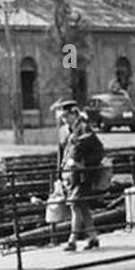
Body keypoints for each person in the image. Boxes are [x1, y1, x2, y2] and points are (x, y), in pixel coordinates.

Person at [56, 99, 105, 250]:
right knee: (81, 206)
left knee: (75, 205)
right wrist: (59, 171)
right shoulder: (63, 131)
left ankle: (72, 240)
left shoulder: (84, 128)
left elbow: (99, 151)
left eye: (67, 116)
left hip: (83, 175)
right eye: (63, 117)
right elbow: (61, 152)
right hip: (69, 175)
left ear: (74, 114)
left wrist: (84, 163)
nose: (65, 119)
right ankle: (93, 237)